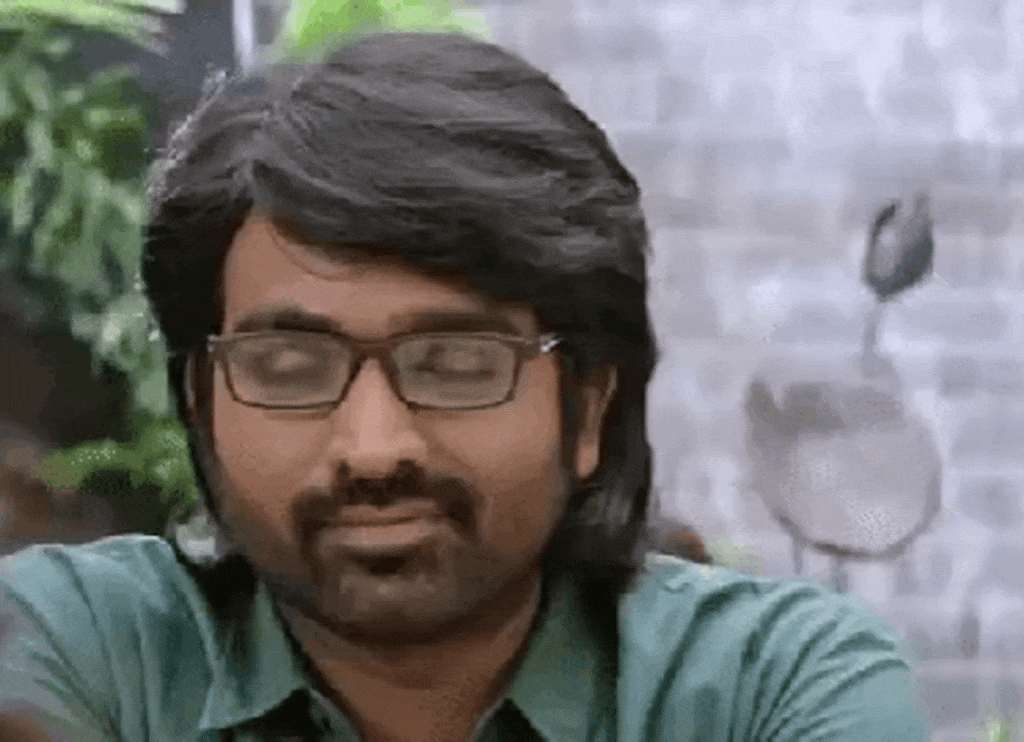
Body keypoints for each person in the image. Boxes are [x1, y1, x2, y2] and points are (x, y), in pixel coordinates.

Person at [0, 32, 928, 742]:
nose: (373, 449)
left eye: (455, 365)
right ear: (201, 406)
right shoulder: (78, 650)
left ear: (589, 408)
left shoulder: (771, 685)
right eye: (289, 368)